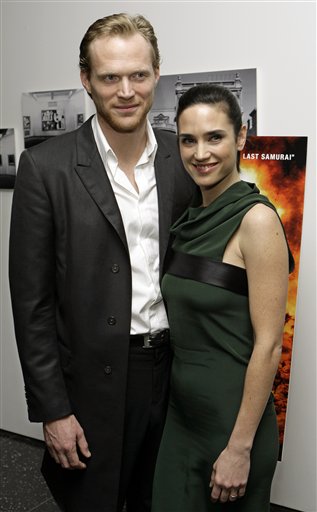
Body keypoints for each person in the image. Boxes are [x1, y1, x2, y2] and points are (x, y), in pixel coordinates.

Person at [9, 13, 195, 512]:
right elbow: (32, 305)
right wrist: (53, 410)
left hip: (174, 374)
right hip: (93, 381)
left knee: (165, 499)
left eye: (138, 74)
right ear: (87, 81)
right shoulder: (45, 169)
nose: (126, 90)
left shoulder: (183, 160)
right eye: (110, 77)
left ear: (158, 74)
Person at [151, 84, 294, 512]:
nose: (200, 153)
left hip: (233, 427)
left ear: (241, 136)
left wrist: (239, 448)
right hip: (181, 418)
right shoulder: (188, 216)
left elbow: (269, 345)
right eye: (188, 140)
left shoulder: (257, 221)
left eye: (215, 137)